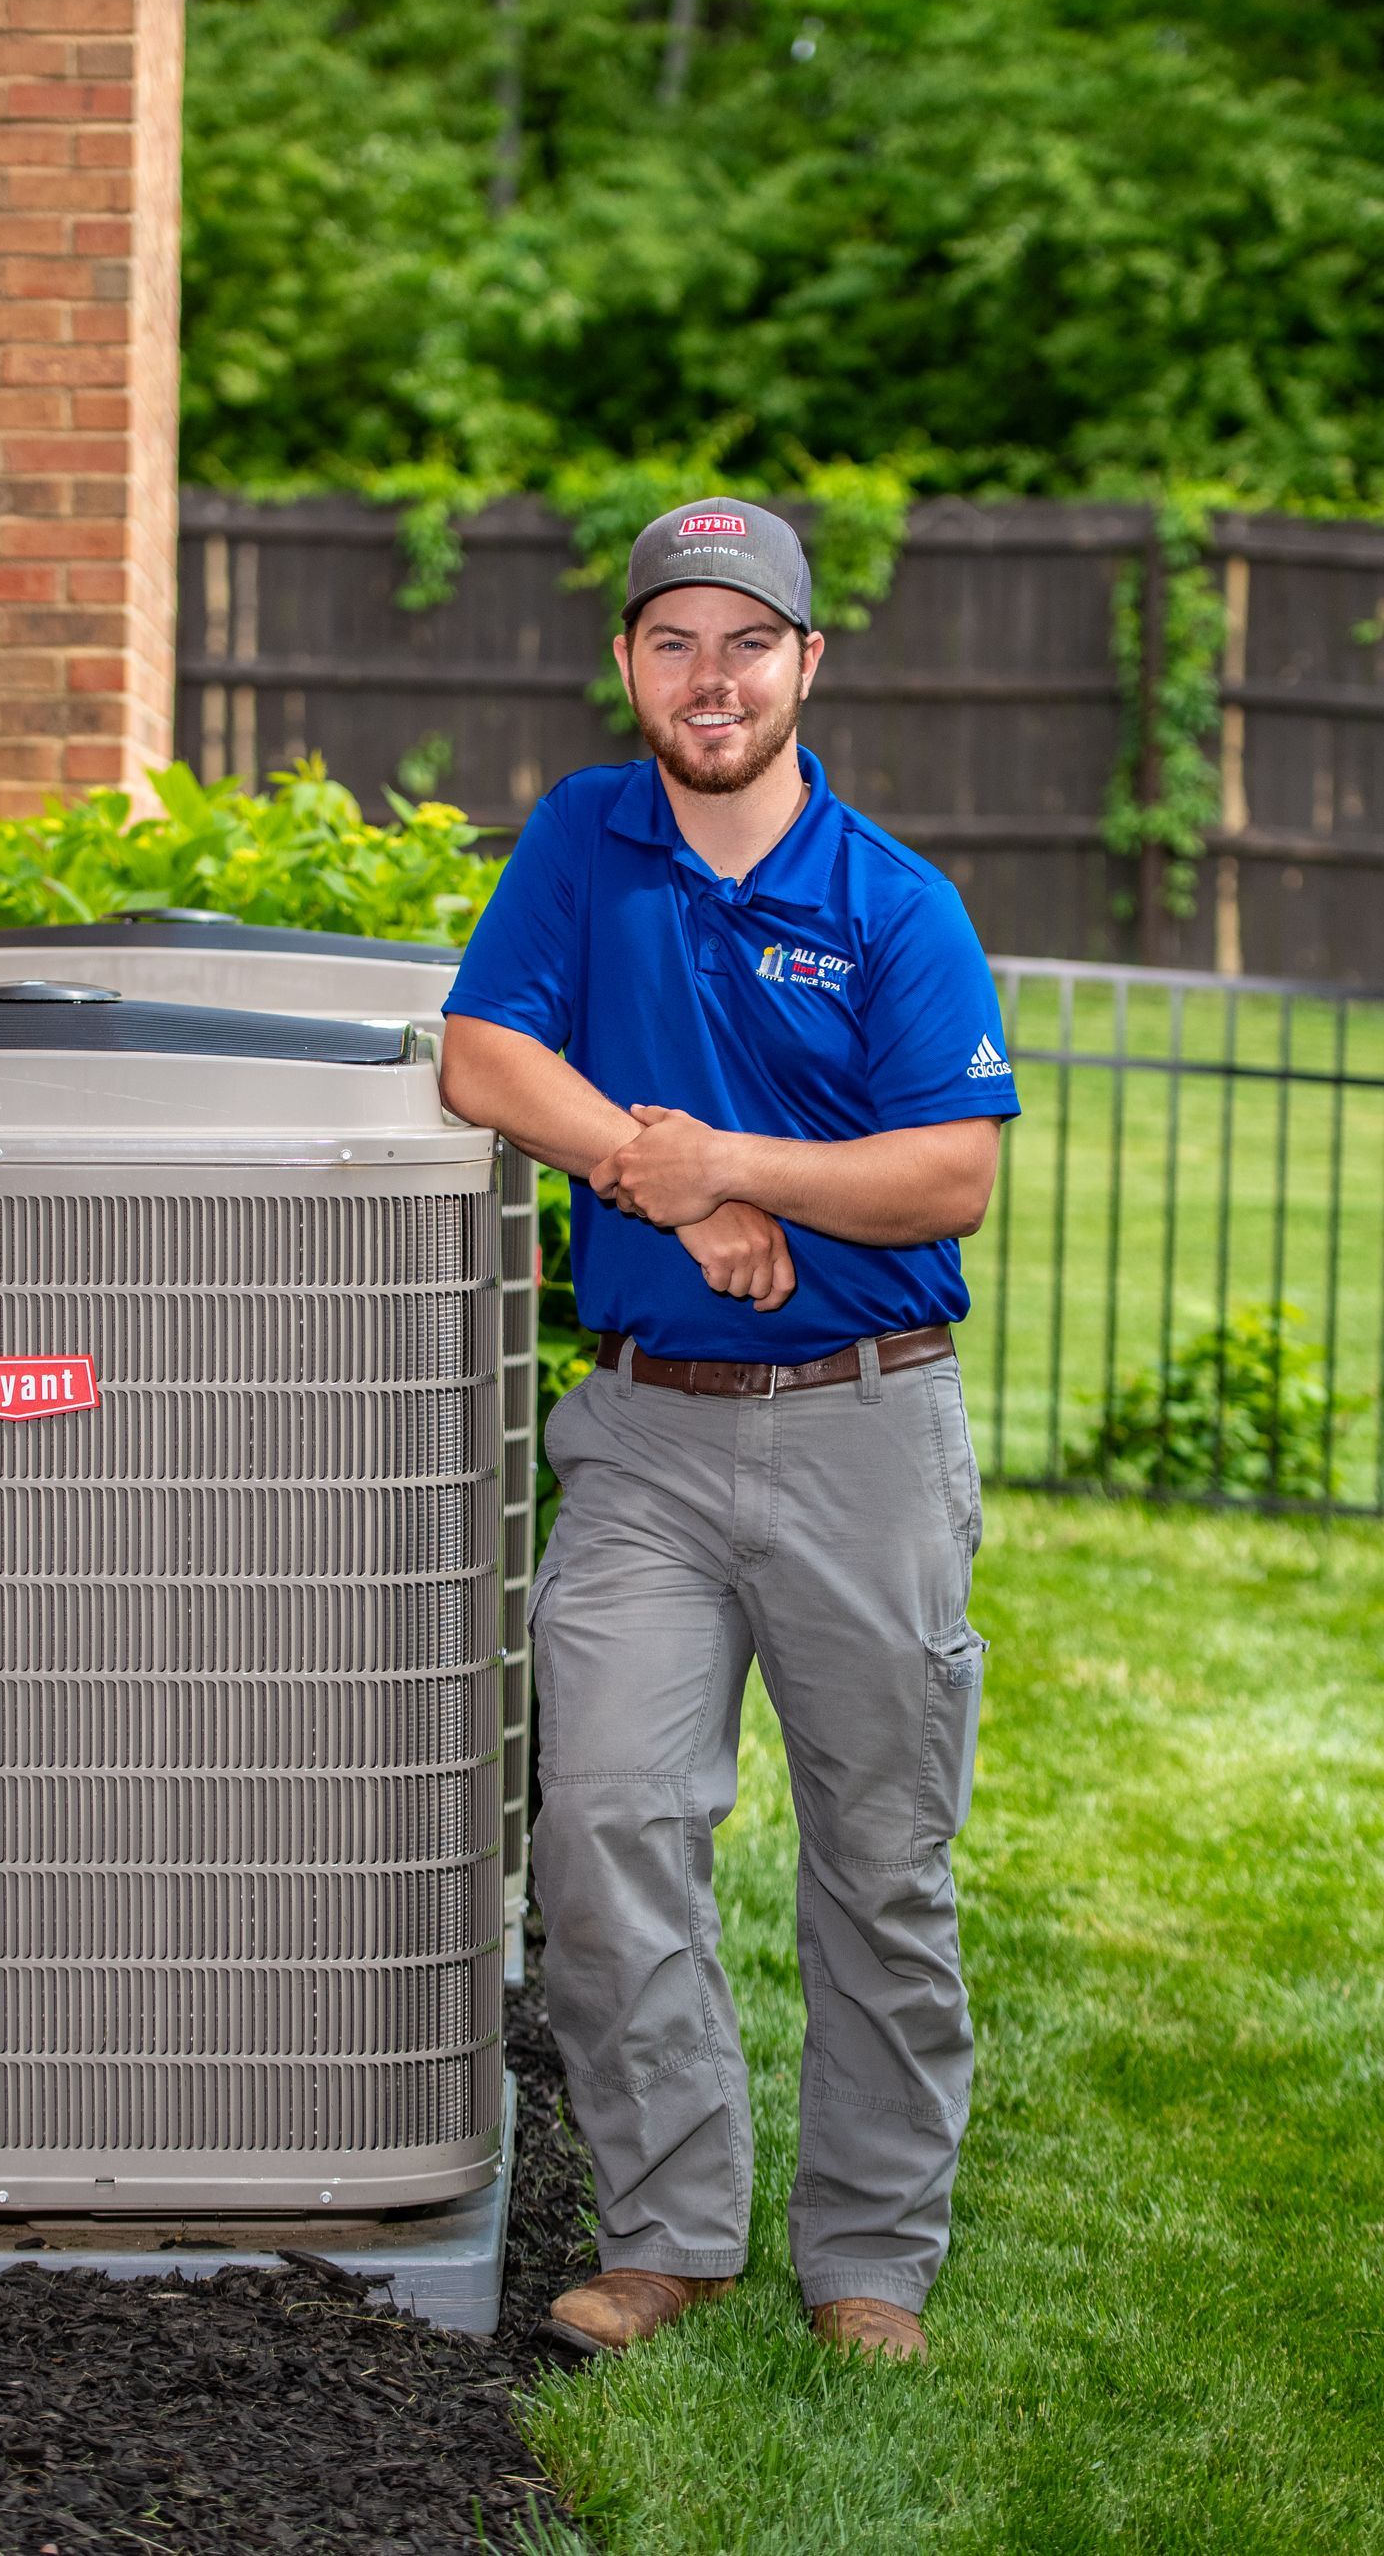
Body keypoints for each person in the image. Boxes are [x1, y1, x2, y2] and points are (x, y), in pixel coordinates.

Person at [439, 498, 1019, 2367]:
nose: (711, 678)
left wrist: (734, 1159)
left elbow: (951, 1174)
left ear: (805, 666)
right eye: (674, 641)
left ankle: (870, 2255)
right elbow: (480, 1055)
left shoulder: (893, 901)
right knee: (604, 1818)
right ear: (628, 664)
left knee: (882, 1859)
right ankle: (675, 2226)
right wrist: (657, 1182)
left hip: (867, 1433)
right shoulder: (580, 846)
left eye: (745, 643)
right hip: (649, 1438)